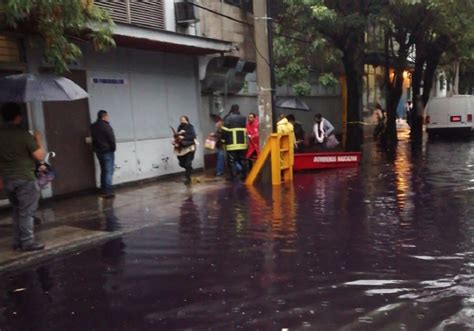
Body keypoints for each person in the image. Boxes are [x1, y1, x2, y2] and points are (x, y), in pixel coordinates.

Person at [0, 103, 46, 251]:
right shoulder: (23, 135)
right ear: (19, 117)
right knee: (26, 211)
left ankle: (17, 240)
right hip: (25, 177)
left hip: (8, 178)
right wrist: (38, 139)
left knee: (16, 210)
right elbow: (40, 156)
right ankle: (27, 242)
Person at [91, 110, 116, 198]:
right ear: (104, 116)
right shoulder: (106, 126)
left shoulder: (93, 126)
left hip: (99, 152)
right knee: (109, 171)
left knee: (103, 170)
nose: (108, 118)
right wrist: (113, 148)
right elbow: (111, 139)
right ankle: (108, 192)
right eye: (107, 116)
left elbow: (93, 139)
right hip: (107, 152)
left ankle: (103, 189)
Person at [223, 105, 248, 180]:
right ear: (238, 109)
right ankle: (244, 175)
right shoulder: (243, 118)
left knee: (231, 161)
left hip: (232, 144)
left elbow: (224, 131)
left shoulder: (228, 118)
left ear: (231, 109)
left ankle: (233, 176)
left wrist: (223, 140)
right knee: (243, 159)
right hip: (242, 143)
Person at [173, 116, 197, 185]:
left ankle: (188, 178)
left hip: (189, 147)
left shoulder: (190, 127)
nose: (182, 121)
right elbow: (176, 136)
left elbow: (193, 136)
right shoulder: (179, 127)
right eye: (181, 120)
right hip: (182, 147)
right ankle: (190, 169)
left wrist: (183, 137)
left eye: (183, 120)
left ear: (187, 120)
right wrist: (176, 138)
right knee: (181, 163)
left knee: (187, 163)